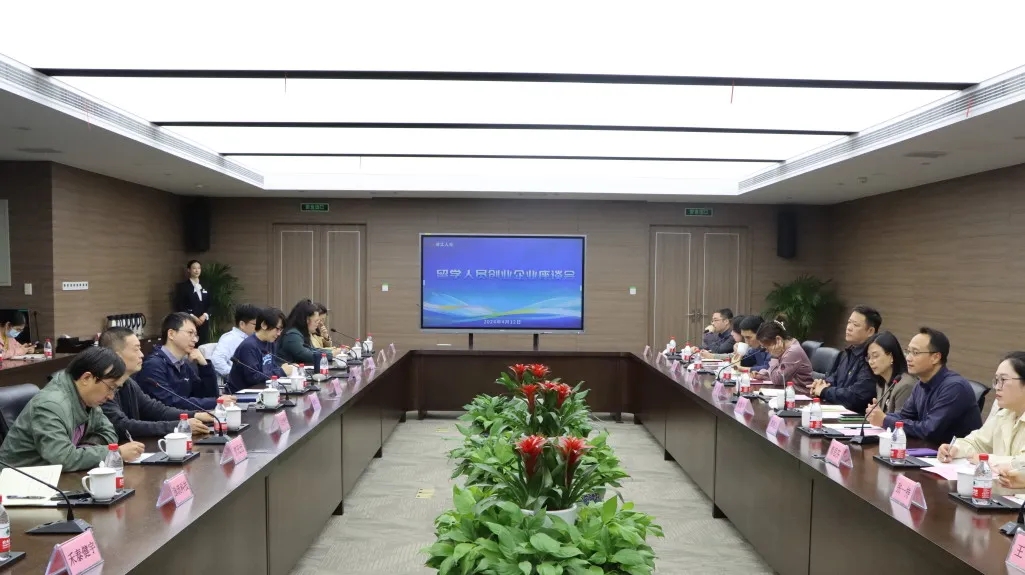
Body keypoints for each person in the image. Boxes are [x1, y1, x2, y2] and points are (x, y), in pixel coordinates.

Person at [0, 347, 145, 471]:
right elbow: (63, 458)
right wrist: (115, 452)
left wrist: (83, 450)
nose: (111, 396)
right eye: (111, 387)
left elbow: (109, 432)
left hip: (56, 476)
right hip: (20, 482)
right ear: (86, 378)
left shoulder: (86, 398)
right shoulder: (50, 405)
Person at [865, 327, 981, 444]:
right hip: (928, 450)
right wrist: (880, 415)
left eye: (915, 353)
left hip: (954, 453)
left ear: (935, 357)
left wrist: (885, 420)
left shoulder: (954, 387)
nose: (908, 358)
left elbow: (929, 430)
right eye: (908, 352)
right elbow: (905, 416)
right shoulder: (920, 385)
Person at [98, 327, 214, 441]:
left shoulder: (128, 383)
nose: (141, 354)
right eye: (136, 349)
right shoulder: (101, 387)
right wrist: (179, 426)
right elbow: (122, 426)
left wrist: (196, 415)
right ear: (117, 356)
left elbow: (157, 410)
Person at [937, 352, 1025, 466]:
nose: (997, 387)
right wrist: (956, 449)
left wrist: (987, 459)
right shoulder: (1005, 414)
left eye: (1003, 380)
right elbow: (977, 443)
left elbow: (1022, 463)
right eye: (996, 380)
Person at [138, 313, 233, 411]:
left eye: (195, 335)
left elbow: (208, 396)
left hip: (190, 418)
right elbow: (171, 403)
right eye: (190, 333)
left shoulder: (183, 364)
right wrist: (215, 402)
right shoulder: (153, 365)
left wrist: (204, 365)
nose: (195, 340)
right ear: (171, 334)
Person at [810, 305, 880, 414]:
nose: (849, 328)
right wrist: (821, 384)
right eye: (849, 322)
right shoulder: (848, 353)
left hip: (856, 417)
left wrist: (824, 391)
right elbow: (834, 378)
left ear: (870, 331)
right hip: (837, 411)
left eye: (855, 325)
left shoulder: (871, 359)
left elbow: (856, 397)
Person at [226, 307, 292, 393]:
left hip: (264, 390)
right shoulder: (249, 346)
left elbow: (271, 368)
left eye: (281, 330)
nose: (279, 334)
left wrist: (284, 369)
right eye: (277, 329)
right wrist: (281, 371)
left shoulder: (270, 342)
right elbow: (253, 378)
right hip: (241, 395)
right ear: (264, 325)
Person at [756, 317, 813, 394]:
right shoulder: (785, 349)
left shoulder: (793, 352)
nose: (766, 351)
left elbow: (777, 380)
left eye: (766, 347)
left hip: (802, 395)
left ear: (778, 339)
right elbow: (778, 372)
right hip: (790, 393)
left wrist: (774, 357)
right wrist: (763, 375)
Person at [865, 331, 916, 414]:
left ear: (891, 357)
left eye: (875, 356)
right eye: (869, 357)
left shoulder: (905, 385)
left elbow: (900, 420)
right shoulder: (881, 383)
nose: (871, 361)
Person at [278, 300, 334, 366]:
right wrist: (331, 355)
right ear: (307, 320)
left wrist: (331, 352)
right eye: (316, 321)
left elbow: (312, 350)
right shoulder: (292, 335)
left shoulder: (301, 333)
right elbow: (307, 355)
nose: (318, 324)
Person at [211, 304, 261, 377]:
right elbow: (216, 361)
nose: (258, 328)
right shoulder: (230, 338)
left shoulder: (254, 338)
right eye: (255, 324)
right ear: (242, 324)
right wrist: (235, 375)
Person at [173, 259, 212, 344]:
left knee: (204, 345)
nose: (197, 270)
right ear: (189, 270)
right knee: (191, 344)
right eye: (194, 268)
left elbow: (211, 304)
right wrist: (193, 317)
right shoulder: (183, 287)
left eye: (199, 268)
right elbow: (179, 305)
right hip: (189, 322)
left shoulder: (206, 285)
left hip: (204, 322)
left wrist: (205, 315)